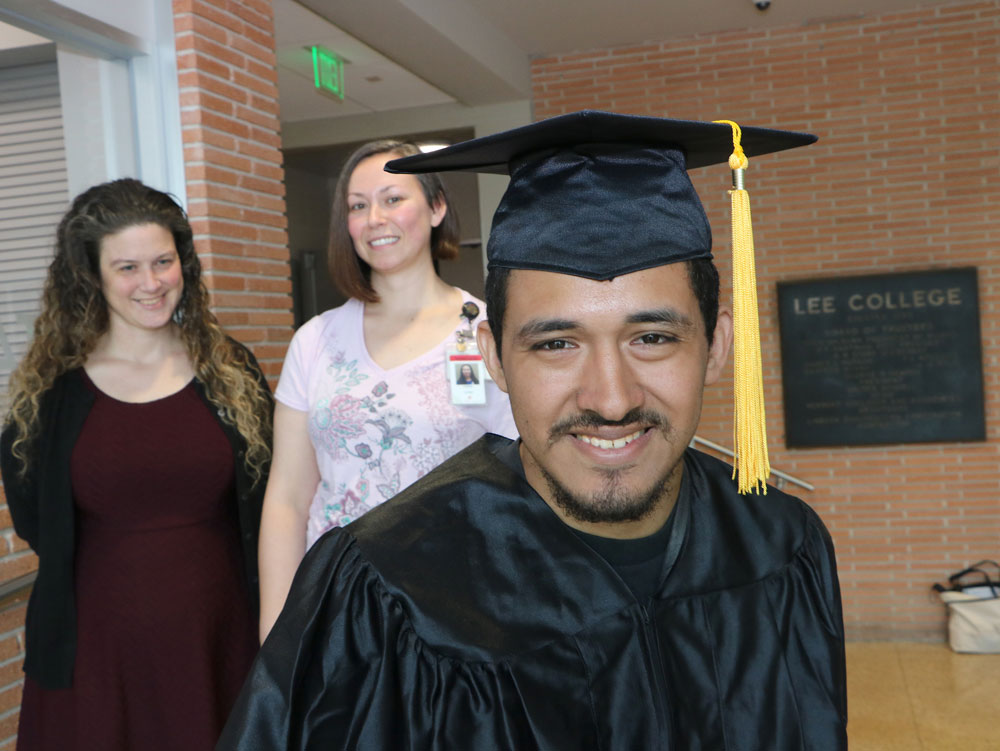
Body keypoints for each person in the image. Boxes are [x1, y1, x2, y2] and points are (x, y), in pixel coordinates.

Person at [220, 111, 848, 750]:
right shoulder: (386, 591)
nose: (610, 399)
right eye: (555, 344)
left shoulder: (783, 547)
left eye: (652, 338)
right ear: (492, 357)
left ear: (717, 346)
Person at [0, 179, 273, 751]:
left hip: (220, 640)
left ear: (183, 264)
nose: (150, 284)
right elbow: (34, 515)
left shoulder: (231, 370)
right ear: (92, 276)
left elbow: (269, 497)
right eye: (127, 267)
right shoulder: (51, 393)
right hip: (96, 655)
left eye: (163, 262)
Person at [257, 140, 517, 639]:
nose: (375, 217)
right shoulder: (315, 341)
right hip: (336, 609)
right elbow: (288, 498)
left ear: (437, 206)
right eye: (358, 205)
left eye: (393, 198)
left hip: (454, 609)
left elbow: (518, 484)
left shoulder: (489, 331)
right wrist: (275, 635)